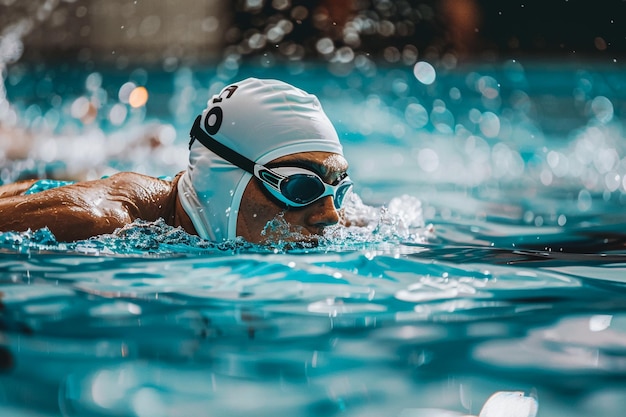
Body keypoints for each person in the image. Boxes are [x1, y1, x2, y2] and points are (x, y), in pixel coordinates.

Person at [0, 78, 353, 245]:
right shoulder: (94, 222)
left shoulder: (329, 216)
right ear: (226, 180)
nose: (330, 216)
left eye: (338, 190)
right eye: (301, 186)